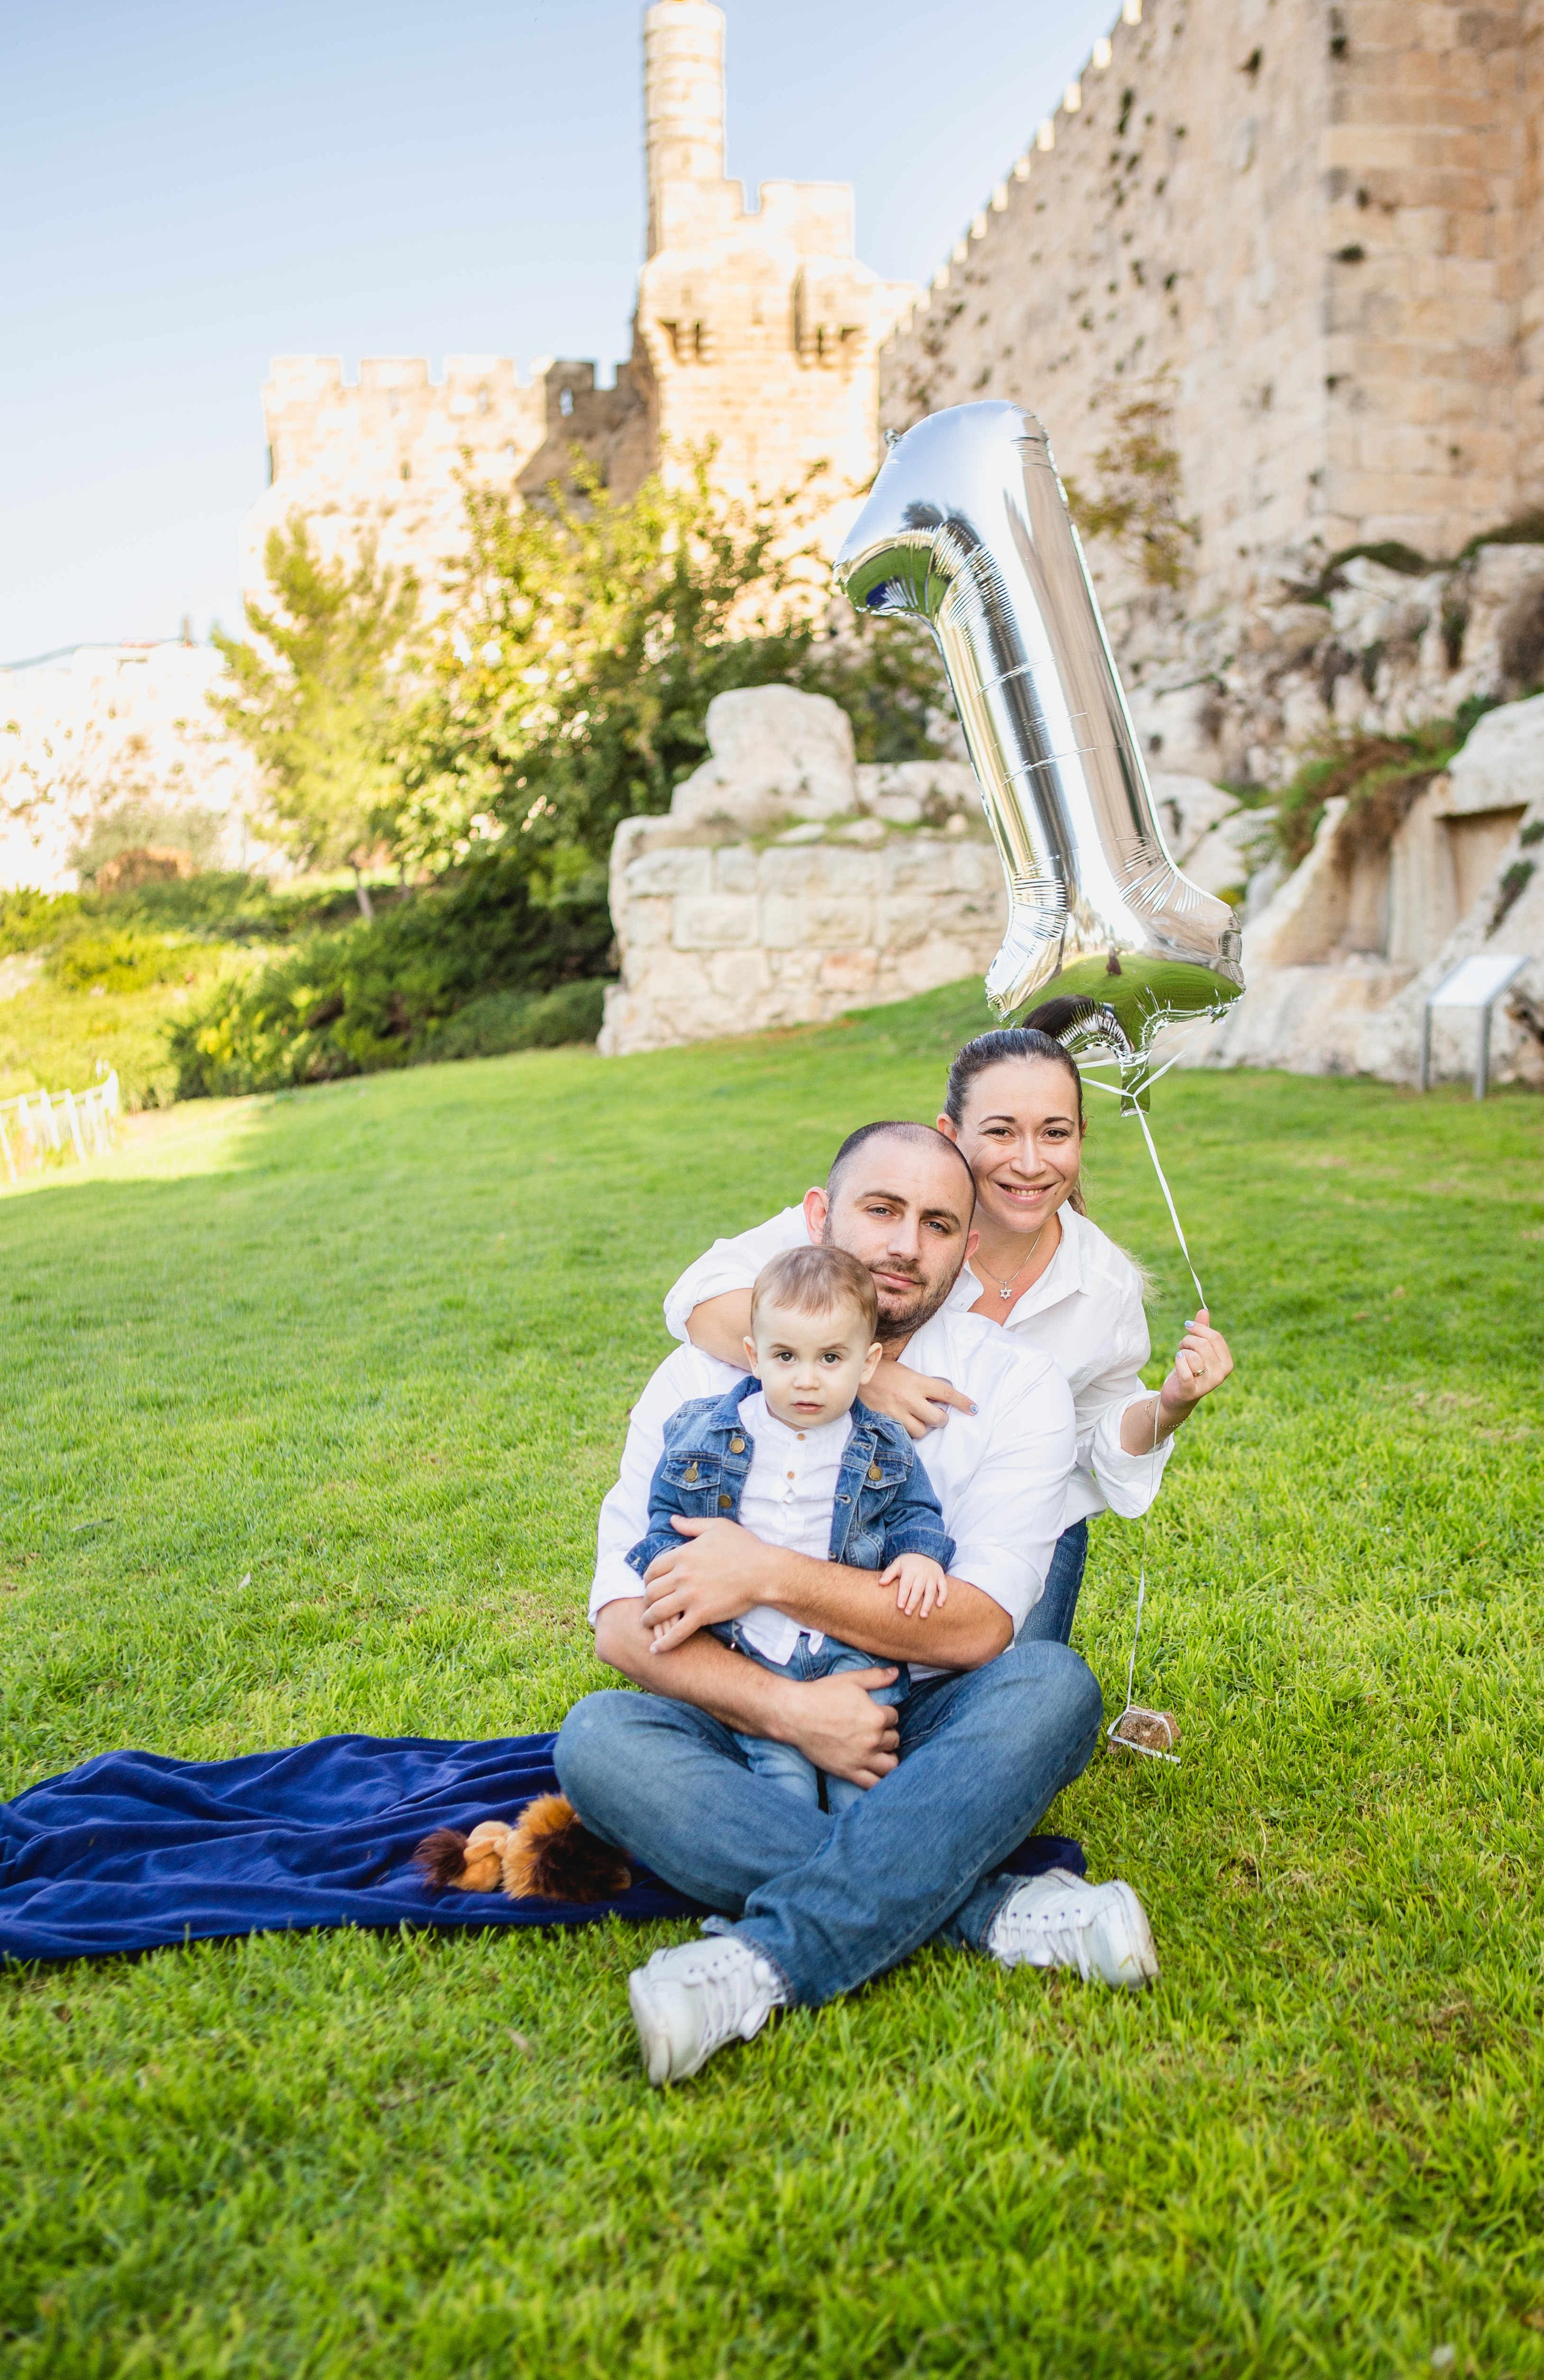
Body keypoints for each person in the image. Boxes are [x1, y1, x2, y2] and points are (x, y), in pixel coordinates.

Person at [555, 1120, 1159, 2089]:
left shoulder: (1014, 1386)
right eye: (880, 1210)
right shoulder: (702, 1379)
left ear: (967, 1248)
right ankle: (990, 1906)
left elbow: (978, 1626)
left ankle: (759, 1964)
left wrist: (768, 1573)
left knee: (1052, 1685)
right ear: (817, 1214)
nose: (903, 1244)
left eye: (936, 1223)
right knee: (598, 1741)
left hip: (923, 1719)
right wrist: (791, 1710)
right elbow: (625, 1623)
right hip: (742, 1721)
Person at [662, 1004, 1234, 1648]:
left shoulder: (1101, 1283)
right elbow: (700, 1297)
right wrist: (865, 1377)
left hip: (1016, 1512)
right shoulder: (876, 1222)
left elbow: (1097, 1435)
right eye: (999, 1132)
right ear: (950, 1132)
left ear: (1080, 1137)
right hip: (863, 1498)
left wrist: (1170, 1404)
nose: (1029, 1163)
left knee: (1015, 1687)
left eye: (1054, 1134)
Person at [626, 1242, 955, 1814]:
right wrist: (669, 1570)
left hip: (850, 1649)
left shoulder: (882, 1445)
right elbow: (669, 1512)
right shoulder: (706, 1434)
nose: (807, 1380)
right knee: (781, 1780)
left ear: (868, 1364)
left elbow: (913, 1512)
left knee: (866, 1777)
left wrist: (921, 1555)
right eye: (786, 1357)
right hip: (751, 1647)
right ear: (754, 1356)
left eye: (831, 1359)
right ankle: (799, 1856)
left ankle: (863, 1857)